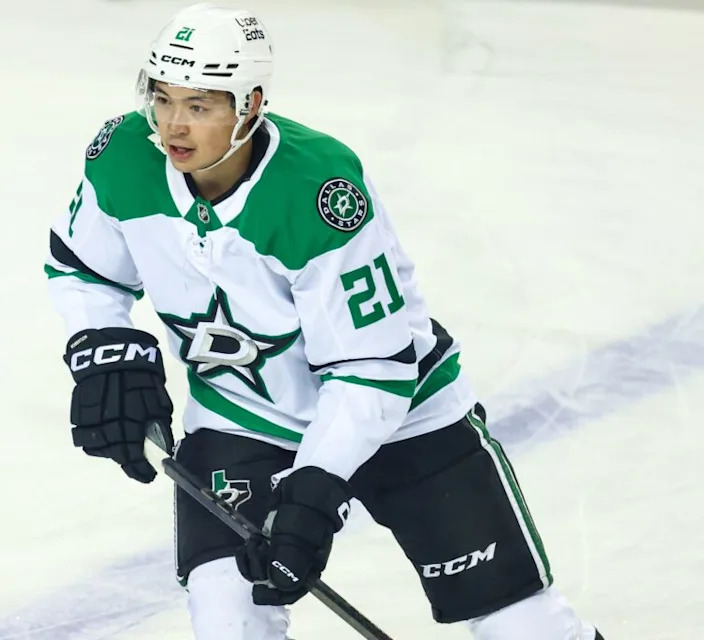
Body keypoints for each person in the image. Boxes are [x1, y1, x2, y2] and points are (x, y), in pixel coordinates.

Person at [45, 3, 604, 639]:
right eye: (163, 98)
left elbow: (371, 369)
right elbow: (82, 268)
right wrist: (108, 349)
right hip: (242, 417)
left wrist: (314, 488)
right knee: (228, 618)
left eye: (199, 105)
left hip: (403, 418)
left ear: (250, 106)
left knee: (520, 623)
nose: (173, 124)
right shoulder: (124, 157)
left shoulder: (319, 193)